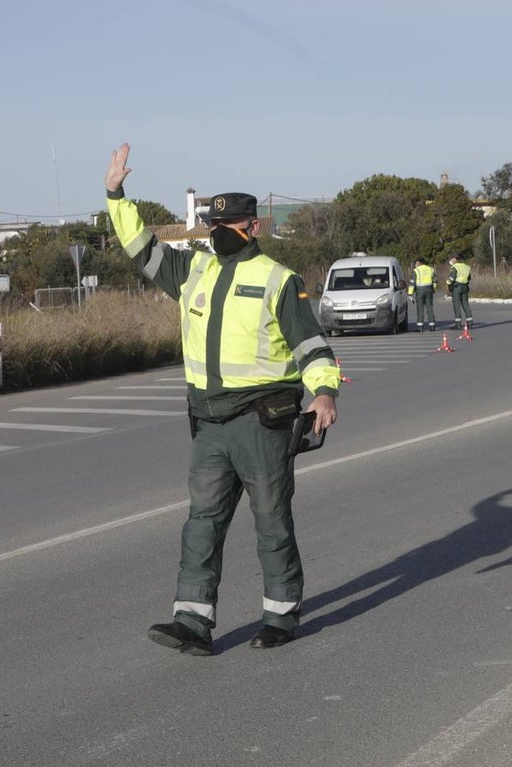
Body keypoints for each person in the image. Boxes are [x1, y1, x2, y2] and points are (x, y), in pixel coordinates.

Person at [104, 143, 340, 656]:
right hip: (208, 424)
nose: (217, 234)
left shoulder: (279, 280)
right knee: (201, 524)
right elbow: (139, 246)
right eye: (212, 227)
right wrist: (116, 193)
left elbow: (311, 344)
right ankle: (192, 621)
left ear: (252, 227)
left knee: (271, 521)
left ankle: (280, 615)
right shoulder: (194, 271)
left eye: (227, 226)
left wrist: (323, 392)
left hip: (262, 422)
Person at [408, 257, 437, 331]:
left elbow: (412, 283)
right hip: (429, 289)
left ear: (418, 262)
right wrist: (433, 290)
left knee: (420, 308)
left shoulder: (416, 270)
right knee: (429, 307)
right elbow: (435, 281)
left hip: (420, 290)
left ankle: (420, 327)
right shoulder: (431, 269)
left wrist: (410, 293)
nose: (415, 265)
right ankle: (432, 326)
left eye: (416, 263)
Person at [446, 255, 473, 329]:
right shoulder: (467, 267)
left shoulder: (455, 267)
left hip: (457, 287)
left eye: (451, 259)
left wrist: (447, 284)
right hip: (465, 287)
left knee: (457, 305)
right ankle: (470, 323)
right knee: (465, 304)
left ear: (455, 259)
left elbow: (451, 278)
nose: (450, 261)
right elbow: (469, 278)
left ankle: (458, 324)